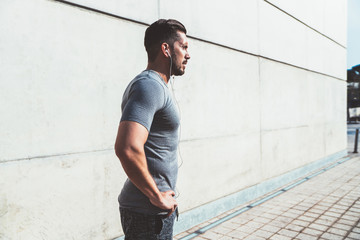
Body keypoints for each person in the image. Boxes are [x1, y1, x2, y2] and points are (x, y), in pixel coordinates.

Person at [114, 19, 190, 239]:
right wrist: (156, 196)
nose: (188, 54)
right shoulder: (150, 86)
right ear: (165, 49)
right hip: (147, 214)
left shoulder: (156, 86)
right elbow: (127, 147)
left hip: (151, 212)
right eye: (183, 47)